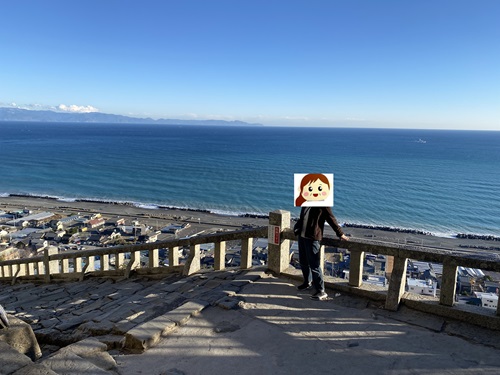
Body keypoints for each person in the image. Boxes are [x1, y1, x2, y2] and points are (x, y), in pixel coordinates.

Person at [294, 174, 348, 301]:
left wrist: (340, 233)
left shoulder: (323, 204)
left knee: (314, 265)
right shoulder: (305, 201)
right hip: (302, 236)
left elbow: (331, 219)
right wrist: (297, 226)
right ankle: (307, 282)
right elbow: (303, 218)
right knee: (303, 261)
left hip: (313, 237)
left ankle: (321, 290)